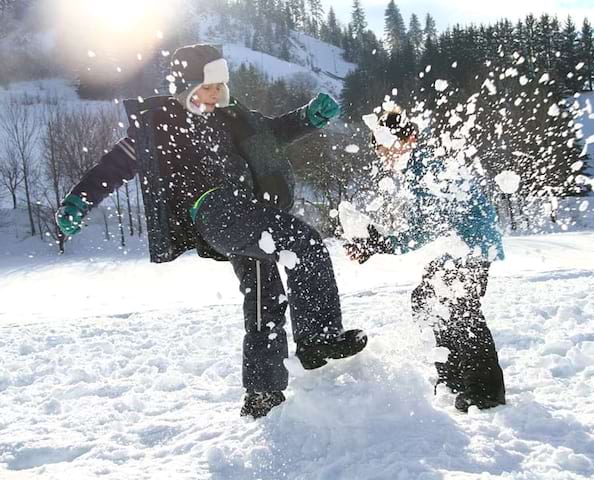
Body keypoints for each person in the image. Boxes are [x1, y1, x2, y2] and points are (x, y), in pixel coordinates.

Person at [56, 44, 367, 419]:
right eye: (209, 85)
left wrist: (307, 118)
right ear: (187, 86)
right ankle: (317, 338)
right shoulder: (161, 124)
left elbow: (271, 132)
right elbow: (114, 166)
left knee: (263, 299)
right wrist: (79, 200)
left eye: (221, 85)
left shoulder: (230, 118)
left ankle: (262, 394)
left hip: (248, 213)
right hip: (216, 211)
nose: (217, 93)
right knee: (303, 242)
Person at [345, 109, 505, 413]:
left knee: (459, 306)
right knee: (425, 299)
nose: (385, 157)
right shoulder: (418, 167)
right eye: (380, 150)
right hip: (456, 248)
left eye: (389, 147)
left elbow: (423, 227)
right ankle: (453, 378)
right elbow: (425, 225)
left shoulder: (426, 166)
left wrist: (380, 244)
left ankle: (485, 390)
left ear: (411, 139)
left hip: (472, 247)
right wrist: (375, 243)